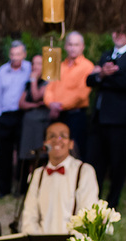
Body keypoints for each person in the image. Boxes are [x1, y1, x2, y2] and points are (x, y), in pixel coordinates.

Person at [86, 28, 126, 209]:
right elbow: (89, 81)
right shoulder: (106, 55)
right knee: (94, 162)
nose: (119, 34)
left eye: (123, 31)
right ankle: (92, 201)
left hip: (120, 120)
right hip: (99, 118)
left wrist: (103, 75)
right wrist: (102, 74)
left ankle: (112, 203)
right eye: (116, 31)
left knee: (117, 163)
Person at [20, 120, 100, 235]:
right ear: (45, 144)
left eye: (63, 136)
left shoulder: (84, 171)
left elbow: (89, 214)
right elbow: (29, 216)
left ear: (71, 144)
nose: (57, 140)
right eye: (51, 136)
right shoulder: (37, 175)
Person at [43, 31, 95, 162]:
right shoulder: (59, 66)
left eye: (76, 45)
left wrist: (59, 106)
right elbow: (49, 88)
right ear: (65, 46)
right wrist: (51, 104)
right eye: (70, 44)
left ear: (82, 46)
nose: (73, 48)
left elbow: (81, 94)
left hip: (75, 116)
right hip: (57, 116)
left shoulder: (87, 66)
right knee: (55, 151)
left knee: (75, 152)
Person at [0, 40, 31, 197]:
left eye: (18, 54)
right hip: (5, 116)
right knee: (4, 154)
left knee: (23, 153)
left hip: (22, 115)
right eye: (13, 54)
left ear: (24, 54)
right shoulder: (3, 70)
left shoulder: (29, 69)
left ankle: (21, 188)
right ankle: (4, 189)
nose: (15, 57)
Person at [17, 54, 52, 194]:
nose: (35, 67)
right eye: (33, 63)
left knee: (41, 155)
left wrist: (33, 81)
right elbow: (21, 103)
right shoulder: (28, 83)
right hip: (28, 124)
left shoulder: (47, 81)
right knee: (29, 156)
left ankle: (42, 186)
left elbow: (37, 95)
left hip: (41, 123)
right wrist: (35, 105)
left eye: (39, 63)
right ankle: (30, 186)